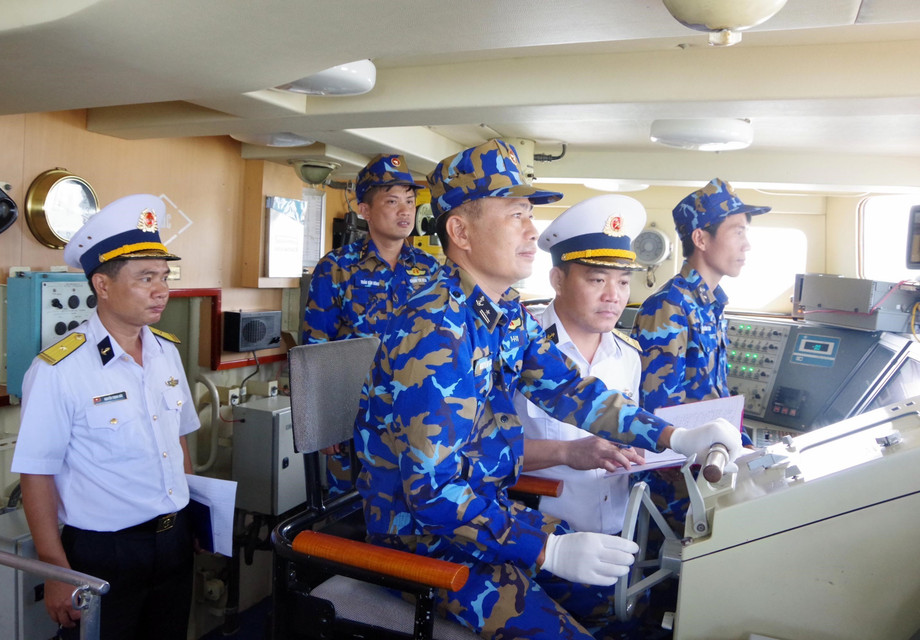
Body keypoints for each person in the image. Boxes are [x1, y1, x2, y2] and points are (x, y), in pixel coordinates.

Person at [354, 140, 742, 640]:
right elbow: (433, 494)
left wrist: (673, 438)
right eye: (515, 214)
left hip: (482, 514)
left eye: (530, 214)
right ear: (460, 230)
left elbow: (573, 392)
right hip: (427, 540)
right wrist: (547, 548)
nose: (531, 230)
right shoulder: (433, 328)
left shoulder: (502, 311)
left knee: (615, 592)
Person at [11, 194, 200, 640]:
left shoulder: (166, 352)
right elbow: (36, 474)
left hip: (174, 542)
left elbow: (179, 441)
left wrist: (192, 517)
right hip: (104, 550)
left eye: (165, 276)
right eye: (146, 278)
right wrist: (55, 569)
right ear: (102, 284)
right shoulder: (59, 368)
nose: (163, 289)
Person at [630, 178, 769, 526]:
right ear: (701, 239)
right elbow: (656, 410)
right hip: (680, 475)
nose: (747, 245)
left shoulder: (710, 305)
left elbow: (711, 396)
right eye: (737, 231)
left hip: (713, 456)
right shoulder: (669, 307)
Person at [302, 153, 439, 496]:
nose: (405, 211)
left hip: (417, 416)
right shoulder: (337, 266)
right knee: (350, 517)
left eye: (410, 201)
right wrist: (323, 423)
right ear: (364, 209)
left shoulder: (431, 269)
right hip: (354, 417)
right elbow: (315, 346)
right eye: (392, 201)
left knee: (416, 509)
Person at [514, 194, 648, 535]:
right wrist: (567, 452)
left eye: (622, 281)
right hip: (540, 536)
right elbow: (481, 451)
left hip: (618, 531)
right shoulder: (516, 351)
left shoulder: (628, 356)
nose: (613, 295)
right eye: (597, 280)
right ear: (557, 280)